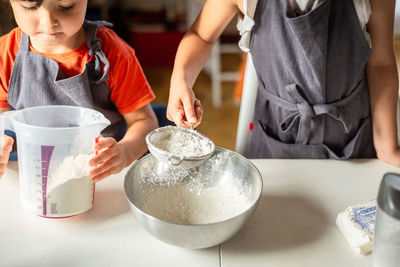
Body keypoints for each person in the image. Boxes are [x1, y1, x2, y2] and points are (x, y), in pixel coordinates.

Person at [167, 0, 400, 164]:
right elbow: (201, 36)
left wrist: (387, 147)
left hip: (351, 139)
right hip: (274, 138)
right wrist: (181, 78)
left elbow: (381, 64)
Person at [0, 0, 158, 180]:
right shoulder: (5, 54)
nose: (48, 22)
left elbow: (144, 121)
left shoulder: (114, 53)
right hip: (36, 173)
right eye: (29, 7)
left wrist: (124, 152)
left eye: (66, 6)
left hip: (99, 174)